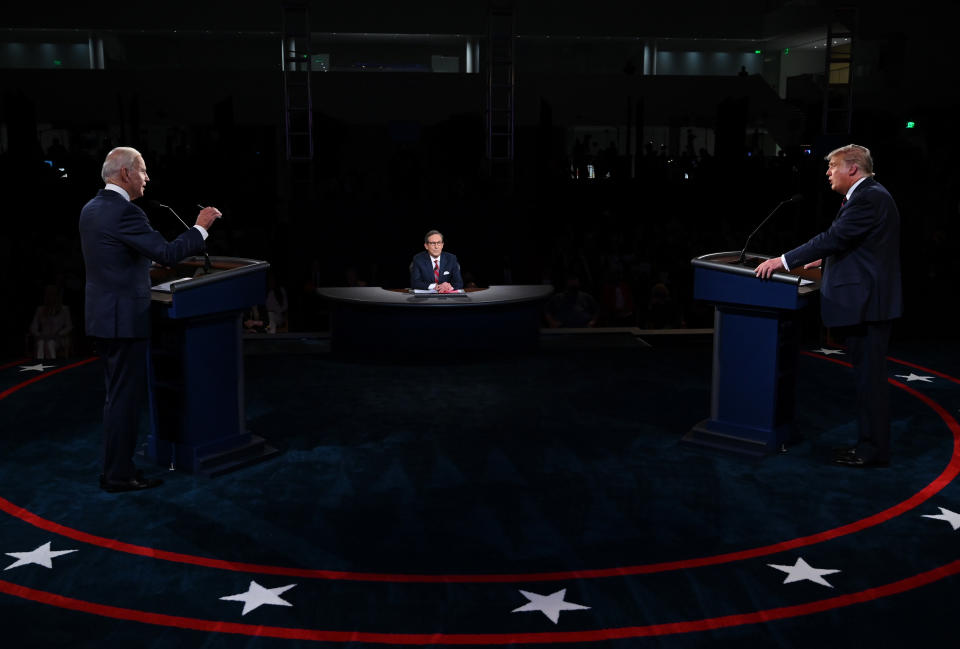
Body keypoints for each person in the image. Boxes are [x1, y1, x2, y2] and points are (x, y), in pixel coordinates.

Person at [79, 146, 221, 492]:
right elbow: (169, 253)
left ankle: (115, 469)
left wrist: (144, 264)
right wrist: (200, 228)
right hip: (124, 320)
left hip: (103, 317)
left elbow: (113, 259)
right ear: (125, 173)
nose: (147, 178)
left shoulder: (91, 209)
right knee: (124, 401)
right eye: (143, 170)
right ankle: (119, 476)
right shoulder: (125, 213)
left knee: (116, 398)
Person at [755, 144, 902, 467]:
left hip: (868, 306)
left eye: (832, 166)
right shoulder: (869, 196)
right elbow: (856, 243)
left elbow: (833, 237)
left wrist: (784, 260)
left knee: (870, 382)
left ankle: (872, 451)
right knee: (866, 381)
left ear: (853, 168)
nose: (827, 173)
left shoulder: (869, 197)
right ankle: (868, 445)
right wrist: (828, 257)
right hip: (867, 303)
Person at [29, 284, 73, 359]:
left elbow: (69, 326)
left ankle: (52, 365)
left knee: (50, 343)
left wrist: (59, 334)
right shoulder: (40, 309)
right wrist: (39, 334)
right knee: (41, 343)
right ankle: (40, 364)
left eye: (53, 294)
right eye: (49, 294)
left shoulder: (64, 309)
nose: (51, 297)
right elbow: (33, 327)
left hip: (57, 338)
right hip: (43, 337)